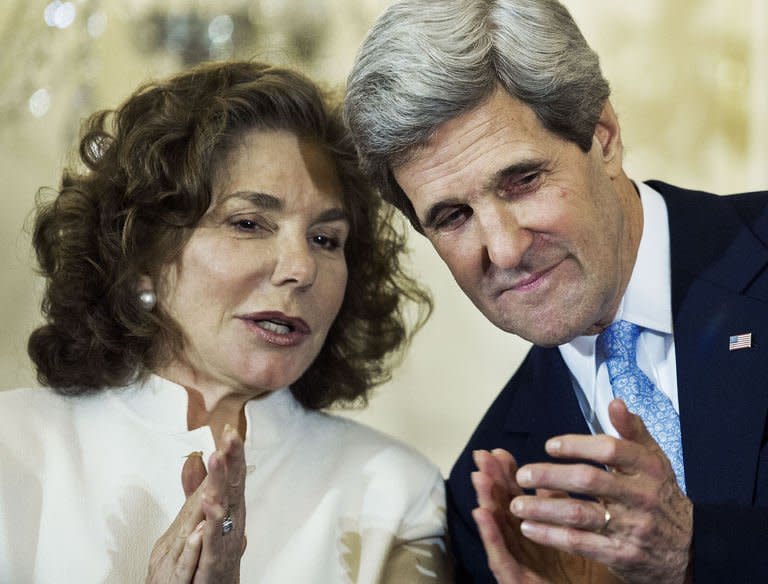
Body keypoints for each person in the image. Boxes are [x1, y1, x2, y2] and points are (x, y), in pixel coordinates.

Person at [344, 0, 768, 582]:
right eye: (452, 216)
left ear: (605, 136)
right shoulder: (490, 492)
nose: (505, 249)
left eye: (522, 181)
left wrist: (699, 549)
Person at [0, 60, 451, 583]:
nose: (301, 268)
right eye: (249, 223)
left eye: (326, 240)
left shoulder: (393, 491)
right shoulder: (15, 445)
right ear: (143, 253)